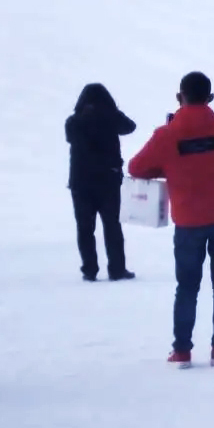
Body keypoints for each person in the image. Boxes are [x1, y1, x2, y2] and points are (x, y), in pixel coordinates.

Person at [126, 71, 214, 368]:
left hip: (189, 220)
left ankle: (181, 351)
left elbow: (136, 167)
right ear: (210, 97)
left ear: (179, 97)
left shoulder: (166, 134)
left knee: (187, 286)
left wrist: (169, 167)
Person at [65, 83, 138, 282]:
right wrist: (111, 111)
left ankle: (89, 269)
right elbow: (130, 126)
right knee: (112, 226)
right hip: (108, 181)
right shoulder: (111, 119)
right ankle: (117, 269)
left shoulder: (73, 121)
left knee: (85, 228)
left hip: (80, 183)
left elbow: (70, 137)